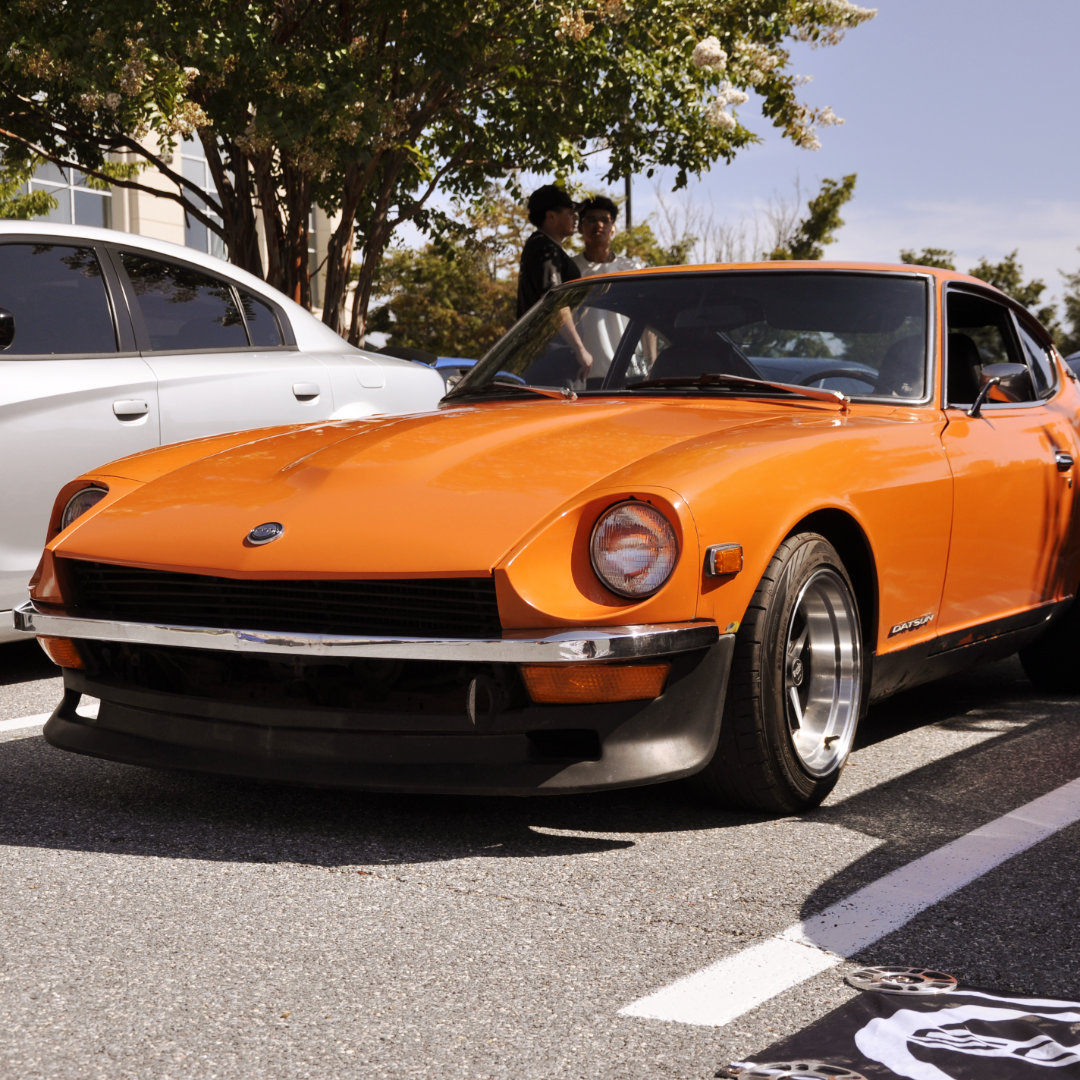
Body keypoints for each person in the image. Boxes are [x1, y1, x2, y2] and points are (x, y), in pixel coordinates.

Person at [516, 184, 592, 383]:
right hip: (549, 360)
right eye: (570, 212)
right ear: (551, 216)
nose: (576, 218)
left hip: (549, 358)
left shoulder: (545, 247)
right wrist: (580, 349)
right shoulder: (544, 248)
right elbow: (554, 300)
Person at [570, 195, 645, 378]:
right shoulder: (570, 269)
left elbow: (645, 317)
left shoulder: (631, 269)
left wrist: (651, 361)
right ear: (580, 227)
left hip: (632, 370)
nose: (599, 225)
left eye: (605, 220)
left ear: (613, 229)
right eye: (591, 220)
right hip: (586, 372)